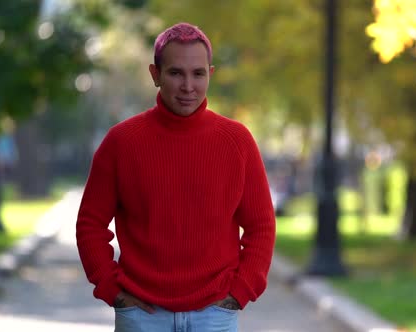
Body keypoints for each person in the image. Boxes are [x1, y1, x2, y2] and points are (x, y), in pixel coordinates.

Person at [76, 22, 276, 332]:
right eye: (175, 73)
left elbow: (261, 225)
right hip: (142, 314)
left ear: (210, 73)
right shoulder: (121, 142)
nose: (188, 86)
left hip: (215, 313)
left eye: (198, 74)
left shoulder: (237, 141)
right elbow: (90, 223)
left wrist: (241, 291)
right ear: (155, 75)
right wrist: (111, 288)